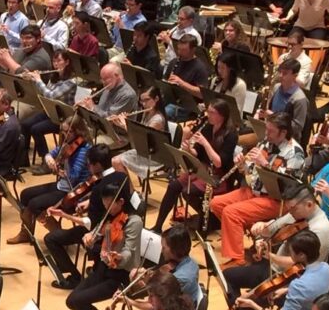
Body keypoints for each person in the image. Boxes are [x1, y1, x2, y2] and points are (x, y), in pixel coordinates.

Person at [214, 185, 329, 310]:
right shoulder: (296, 214)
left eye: (292, 208)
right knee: (228, 276)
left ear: (309, 205)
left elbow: (302, 265)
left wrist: (271, 256)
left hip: (291, 279)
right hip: (274, 268)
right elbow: (271, 229)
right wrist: (261, 228)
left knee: (250, 297)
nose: (290, 212)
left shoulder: (321, 229)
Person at [210, 113, 306, 265]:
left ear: (283, 132)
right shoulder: (266, 143)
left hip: (276, 199)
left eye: (271, 131)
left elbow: (288, 184)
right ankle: (255, 236)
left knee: (231, 213)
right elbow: (251, 170)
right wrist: (243, 165)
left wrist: (266, 164)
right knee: (216, 203)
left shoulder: (295, 153)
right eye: (266, 129)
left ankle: (237, 259)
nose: (266, 133)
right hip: (254, 191)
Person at [65, 181, 143, 310]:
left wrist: (119, 257)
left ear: (121, 202)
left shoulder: (134, 222)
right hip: (102, 268)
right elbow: (96, 233)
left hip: (120, 275)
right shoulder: (110, 216)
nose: (106, 207)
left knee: (79, 300)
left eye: (109, 204)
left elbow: (129, 251)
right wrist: (89, 237)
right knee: (71, 300)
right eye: (105, 203)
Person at [43, 145, 127, 289]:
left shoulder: (99, 188)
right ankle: (95, 267)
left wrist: (64, 215)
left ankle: (75, 278)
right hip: (120, 228)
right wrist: (89, 203)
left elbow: (91, 225)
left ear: (98, 165)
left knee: (51, 239)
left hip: (102, 234)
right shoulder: (122, 177)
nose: (88, 168)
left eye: (89, 164)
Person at [151, 99, 237, 232]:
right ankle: (158, 226)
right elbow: (197, 153)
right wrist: (189, 149)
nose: (208, 115)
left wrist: (205, 143)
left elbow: (219, 162)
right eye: (208, 111)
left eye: (212, 112)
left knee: (188, 192)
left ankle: (211, 219)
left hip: (218, 176)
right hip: (202, 168)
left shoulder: (231, 135)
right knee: (173, 186)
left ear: (222, 115)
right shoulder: (208, 127)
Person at [8, 116, 91, 244]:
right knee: (25, 194)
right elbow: (50, 154)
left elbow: (73, 177)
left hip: (73, 192)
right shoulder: (68, 144)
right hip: (62, 185)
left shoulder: (83, 151)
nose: (65, 135)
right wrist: (50, 160)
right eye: (63, 131)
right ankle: (26, 233)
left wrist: (61, 168)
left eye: (68, 132)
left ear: (78, 131)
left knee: (35, 204)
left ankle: (57, 233)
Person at [21, 51, 80, 168]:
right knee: (25, 124)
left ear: (67, 62)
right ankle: (23, 159)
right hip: (50, 112)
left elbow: (51, 95)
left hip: (63, 118)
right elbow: (43, 95)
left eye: (59, 61)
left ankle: (46, 163)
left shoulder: (71, 81)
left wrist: (38, 80)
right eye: (54, 61)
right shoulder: (54, 77)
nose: (56, 64)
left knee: (36, 129)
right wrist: (32, 80)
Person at [110, 85, 169, 181]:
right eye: (142, 101)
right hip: (144, 151)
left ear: (156, 99)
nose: (144, 104)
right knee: (114, 160)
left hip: (154, 156)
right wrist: (120, 124)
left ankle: (129, 187)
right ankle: (127, 186)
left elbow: (142, 138)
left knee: (117, 162)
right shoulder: (146, 113)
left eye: (147, 100)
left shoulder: (157, 120)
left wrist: (125, 124)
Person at [163, 34, 210, 121]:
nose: (179, 52)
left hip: (188, 106)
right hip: (171, 99)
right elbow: (164, 81)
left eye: (183, 50)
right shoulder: (174, 62)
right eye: (179, 49)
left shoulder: (200, 68)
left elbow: (202, 94)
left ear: (193, 50)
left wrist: (181, 83)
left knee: (165, 112)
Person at [262, 59, 311, 138]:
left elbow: (297, 127)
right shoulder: (276, 87)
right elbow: (270, 109)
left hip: (287, 139)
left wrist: (273, 117)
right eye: (280, 72)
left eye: (285, 73)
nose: (280, 75)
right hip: (271, 132)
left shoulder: (299, 99)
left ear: (295, 76)